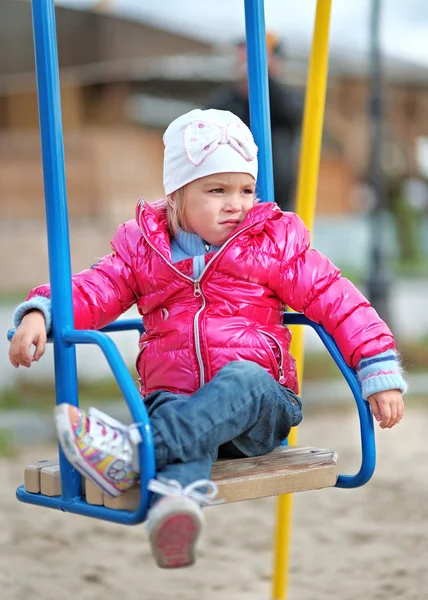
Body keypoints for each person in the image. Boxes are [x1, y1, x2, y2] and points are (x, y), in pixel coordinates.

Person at [9, 108, 406, 570]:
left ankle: (134, 450)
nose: (235, 203)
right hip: (177, 404)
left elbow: (337, 298)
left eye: (245, 189)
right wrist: (44, 311)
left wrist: (377, 366)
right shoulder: (144, 250)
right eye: (216, 190)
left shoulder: (270, 243)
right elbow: (94, 287)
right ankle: (175, 510)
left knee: (243, 378)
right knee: (178, 417)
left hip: (259, 408)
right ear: (177, 195)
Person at [207, 33, 304, 211]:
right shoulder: (223, 102)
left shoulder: (288, 97)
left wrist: (262, 76)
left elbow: (292, 113)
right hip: (233, 200)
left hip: (278, 198)